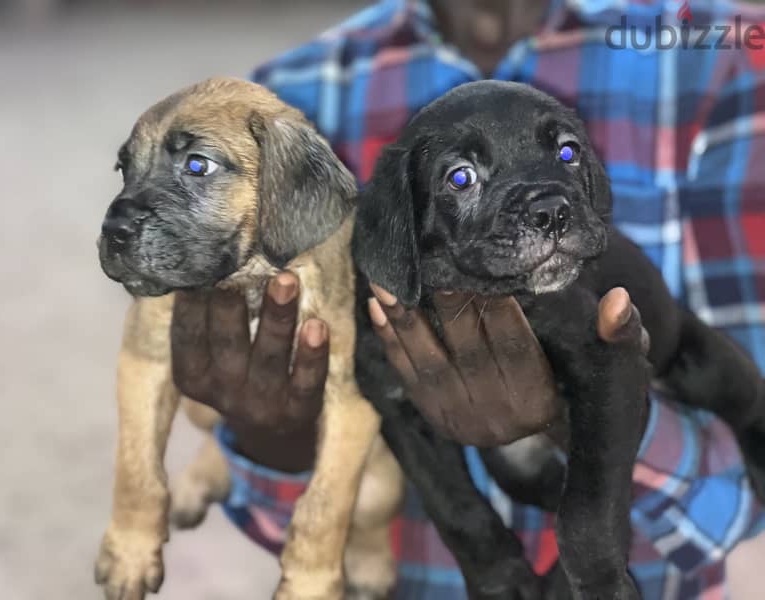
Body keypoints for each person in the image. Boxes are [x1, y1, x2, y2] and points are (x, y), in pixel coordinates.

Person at [170, 0, 765, 597]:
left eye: (565, 155)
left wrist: (571, 424)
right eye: (461, 178)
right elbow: (298, 523)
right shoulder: (288, 106)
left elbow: (738, 504)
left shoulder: (718, 53)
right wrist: (273, 437)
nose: (550, 206)